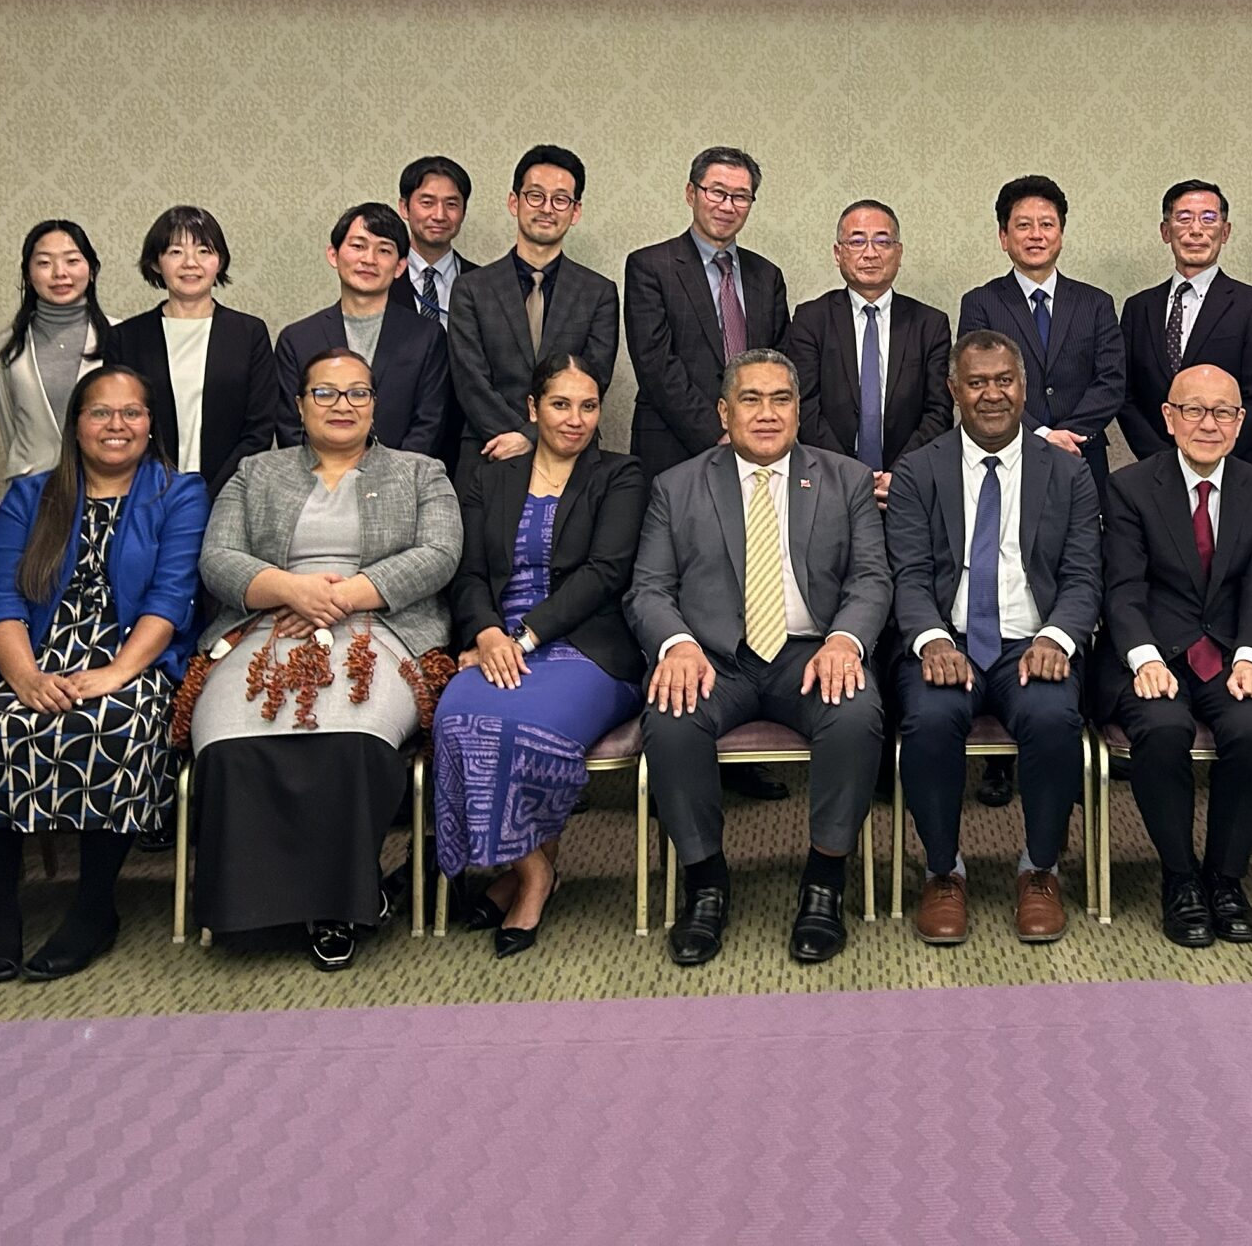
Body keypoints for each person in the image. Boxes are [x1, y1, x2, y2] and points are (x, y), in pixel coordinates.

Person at [188, 348, 462, 971]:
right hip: (266, 626)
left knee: (351, 737)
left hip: (378, 627)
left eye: (358, 393)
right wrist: (291, 590)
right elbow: (218, 558)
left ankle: (337, 903)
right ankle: (252, 902)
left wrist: (338, 599)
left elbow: (440, 553)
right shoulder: (255, 472)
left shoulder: (421, 472)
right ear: (300, 404)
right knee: (230, 740)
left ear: (375, 405)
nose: (344, 405)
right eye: (327, 393)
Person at [625, 350, 890, 968]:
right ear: (725, 412)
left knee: (855, 714)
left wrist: (845, 640)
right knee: (669, 718)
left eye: (781, 399)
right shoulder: (677, 486)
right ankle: (705, 883)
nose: (767, 413)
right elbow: (648, 589)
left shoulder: (846, 479)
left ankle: (824, 880)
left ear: (798, 410)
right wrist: (677, 644)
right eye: (751, 399)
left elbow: (872, 578)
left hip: (810, 654)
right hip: (714, 659)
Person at [0, 364, 206, 982]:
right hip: (35, 655)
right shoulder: (29, 496)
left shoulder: (179, 493)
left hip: (131, 654)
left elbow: (171, 599)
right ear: (75, 424)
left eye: (132, 412)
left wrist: (117, 672)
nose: (117, 424)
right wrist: (24, 678)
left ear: (151, 424)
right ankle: (0, 910)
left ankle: (94, 908)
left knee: (117, 719)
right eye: (100, 412)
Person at [883, 331, 1101, 945]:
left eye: (1004, 380)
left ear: (1024, 387)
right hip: (947, 640)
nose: (992, 394)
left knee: (1054, 718)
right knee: (928, 720)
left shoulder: (1067, 472)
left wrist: (1057, 638)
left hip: (1032, 643)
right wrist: (931, 639)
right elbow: (908, 575)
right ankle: (943, 871)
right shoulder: (919, 470)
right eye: (977, 382)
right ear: (954, 390)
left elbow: (1084, 575)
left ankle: (1039, 869)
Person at [436, 354, 646, 958]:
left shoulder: (621, 474)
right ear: (532, 408)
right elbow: (468, 573)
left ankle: (529, 882)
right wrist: (486, 634)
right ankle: (533, 866)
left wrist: (524, 638)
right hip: (496, 644)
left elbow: (605, 574)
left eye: (588, 406)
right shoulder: (490, 479)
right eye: (560, 404)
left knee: (522, 729)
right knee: (457, 720)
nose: (575, 419)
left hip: (587, 649)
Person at [1103, 365, 1252, 949]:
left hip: (1230, 655)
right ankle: (1180, 878)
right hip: (1153, 653)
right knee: (1162, 728)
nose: (1209, 424)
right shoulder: (1131, 488)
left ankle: (1226, 879)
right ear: (1169, 417)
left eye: (1223, 412)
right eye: (1194, 410)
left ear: (1240, 421)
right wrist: (1144, 659)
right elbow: (1122, 589)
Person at [624, 146, 790, 481]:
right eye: (717, 192)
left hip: (756, 448)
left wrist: (752, 431)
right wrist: (719, 433)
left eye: (741, 196)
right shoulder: (650, 266)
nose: (728, 206)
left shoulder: (767, 275)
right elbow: (655, 364)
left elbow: (779, 362)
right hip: (672, 445)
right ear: (691, 193)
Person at [958, 176, 1124, 506]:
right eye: (1023, 225)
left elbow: (1112, 380)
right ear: (1004, 237)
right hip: (1005, 453)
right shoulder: (980, 303)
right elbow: (974, 383)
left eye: (1047, 224)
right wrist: (1041, 435)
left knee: (1083, 537)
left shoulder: (1095, 303)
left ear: (1060, 234)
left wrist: (1068, 435)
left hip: (1082, 452)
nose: (1036, 235)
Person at [450, 144, 620, 467]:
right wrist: (515, 437)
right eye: (536, 196)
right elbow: (470, 380)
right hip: (490, 450)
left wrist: (530, 437)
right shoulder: (471, 288)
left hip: (571, 455)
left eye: (560, 199)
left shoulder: (599, 292)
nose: (547, 209)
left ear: (576, 211)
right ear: (514, 202)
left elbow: (594, 379)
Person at [104, 205, 279, 499]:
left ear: (219, 261)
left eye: (204, 251)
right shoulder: (126, 337)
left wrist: (215, 493)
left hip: (231, 493)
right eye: (176, 252)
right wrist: (164, 492)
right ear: (156, 262)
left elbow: (259, 429)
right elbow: (119, 423)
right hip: (147, 493)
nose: (190, 263)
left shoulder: (248, 333)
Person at [784, 200, 954, 499]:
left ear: (898, 253)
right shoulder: (811, 319)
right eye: (857, 241)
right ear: (838, 253)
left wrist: (901, 474)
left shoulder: (929, 324)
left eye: (883, 241)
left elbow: (939, 411)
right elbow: (805, 407)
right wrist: (850, 476)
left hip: (909, 485)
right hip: (830, 483)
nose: (870, 253)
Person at [1117, 181, 1252, 474]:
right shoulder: (1138, 308)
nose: (1196, 230)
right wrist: (1164, 460)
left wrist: (1210, 454)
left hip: (1234, 469)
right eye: (1184, 218)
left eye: (1208, 219)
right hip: (1155, 472)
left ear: (1225, 232)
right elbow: (1126, 395)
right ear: (1165, 231)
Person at [274, 202, 453, 458]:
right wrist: (329, 474)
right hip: (317, 478)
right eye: (358, 246)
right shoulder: (297, 339)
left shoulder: (427, 336)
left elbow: (429, 424)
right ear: (333, 255)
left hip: (403, 476)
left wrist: (389, 475)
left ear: (400, 267)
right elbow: (290, 427)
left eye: (384, 250)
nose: (369, 259)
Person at [0, 219, 111, 479]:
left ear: (92, 270)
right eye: (44, 263)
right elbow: (10, 431)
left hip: (109, 484)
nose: (59, 273)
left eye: (72, 261)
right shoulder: (2, 349)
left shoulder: (122, 338)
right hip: (32, 489)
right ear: (28, 275)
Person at [397, 154, 476, 325]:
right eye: (427, 203)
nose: (439, 215)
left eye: (451, 204)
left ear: (463, 211)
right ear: (404, 207)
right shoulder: (382, 279)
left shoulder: (485, 284)